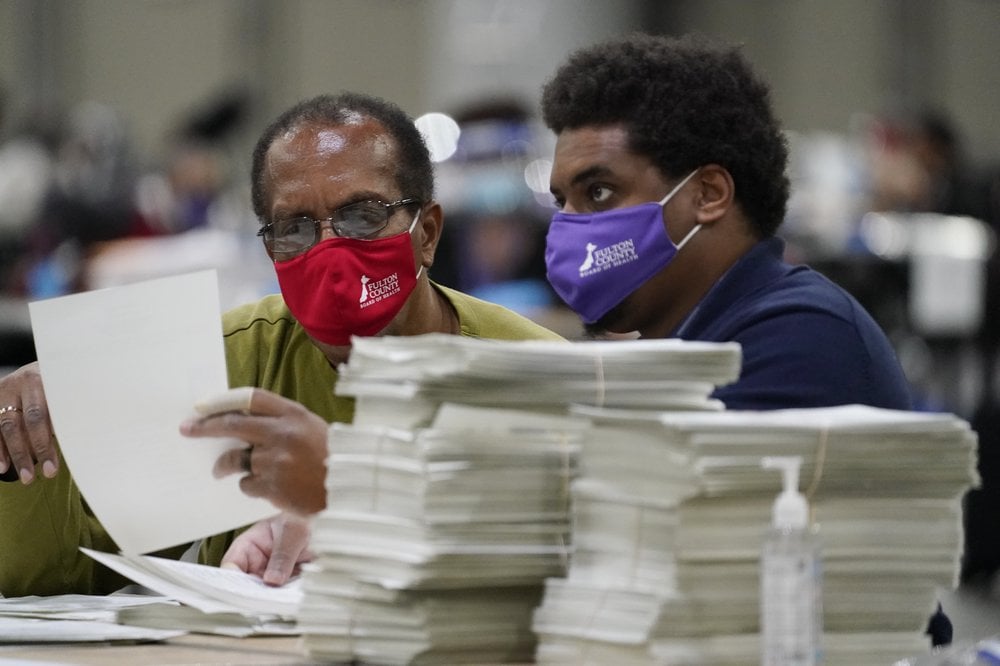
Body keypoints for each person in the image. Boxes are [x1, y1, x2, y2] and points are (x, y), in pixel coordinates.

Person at [0, 92, 563, 596]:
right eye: (294, 228)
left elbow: (580, 557)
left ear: (428, 234)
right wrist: (25, 438)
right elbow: (62, 571)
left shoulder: (538, 375)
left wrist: (352, 496)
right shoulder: (223, 362)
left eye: (362, 216)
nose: (330, 250)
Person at [539, 33, 912, 411]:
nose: (567, 227)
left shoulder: (799, 337)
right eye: (560, 201)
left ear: (708, 194)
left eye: (599, 192)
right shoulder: (693, 338)